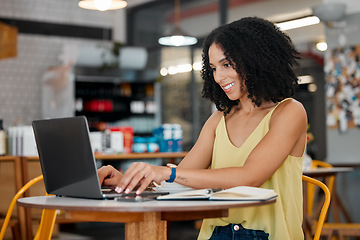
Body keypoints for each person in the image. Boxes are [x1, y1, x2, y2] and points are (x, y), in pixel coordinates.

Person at [98, 16, 307, 240]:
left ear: (256, 60)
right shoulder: (219, 120)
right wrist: (127, 180)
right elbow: (176, 183)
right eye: (213, 68)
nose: (218, 77)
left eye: (227, 64)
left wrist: (168, 172)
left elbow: (250, 176)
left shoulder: (290, 112)